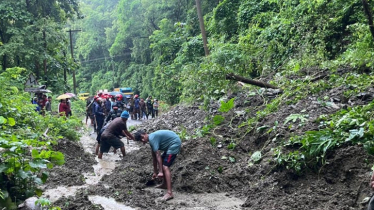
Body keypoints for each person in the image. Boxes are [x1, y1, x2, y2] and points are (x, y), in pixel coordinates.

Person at [134, 130, 181, 201]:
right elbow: (154, 157)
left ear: (145, 134)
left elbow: (158, 154)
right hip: (169, 146)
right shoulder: (151, 140)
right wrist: (155, 172)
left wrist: (161, 172)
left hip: (174, 144)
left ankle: (169, 193)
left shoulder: (152, 139)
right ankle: (165, 184)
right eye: (141, 140)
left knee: (165, 166)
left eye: (142, 138)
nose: (143, 141)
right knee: (162, 162)